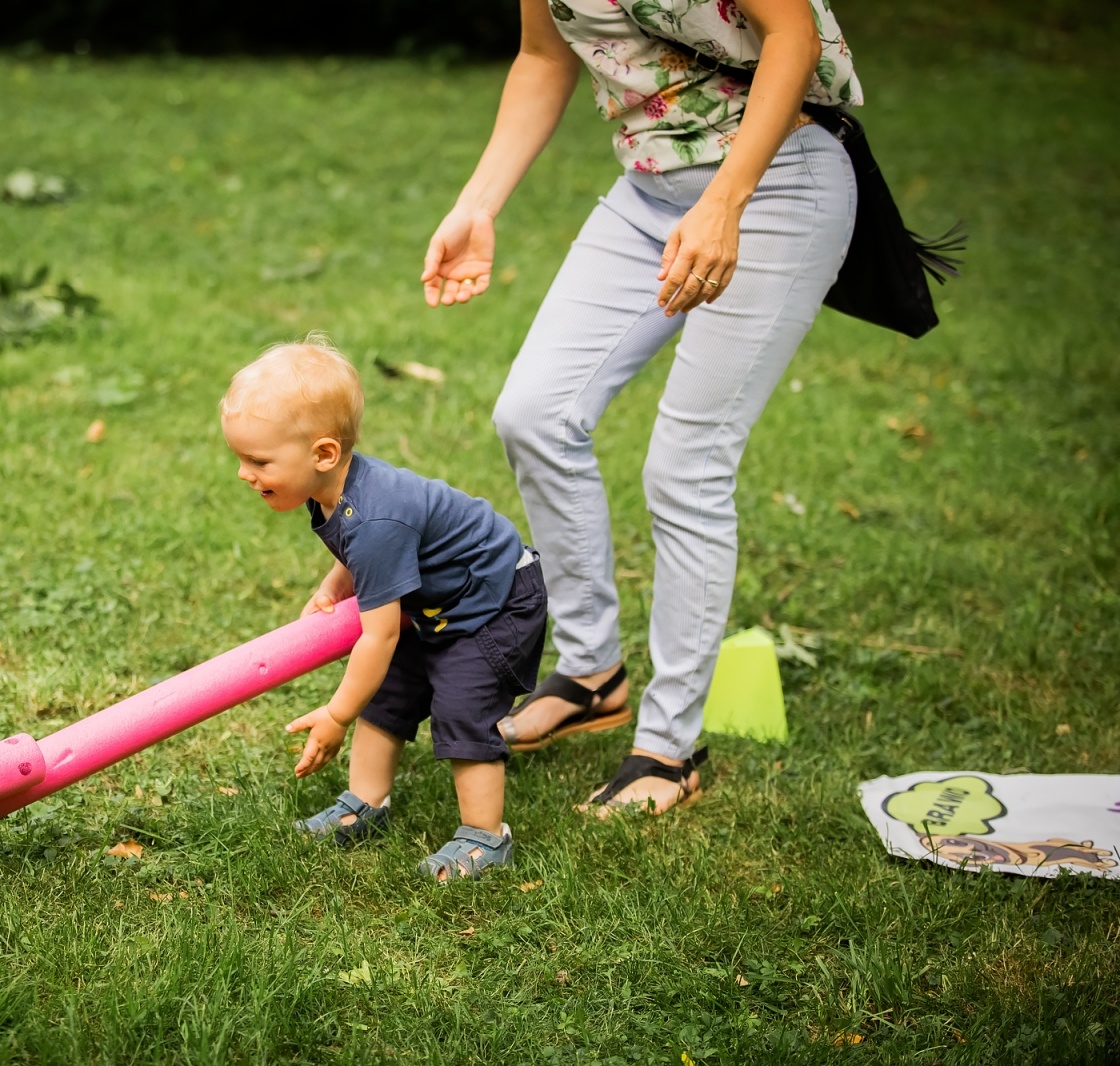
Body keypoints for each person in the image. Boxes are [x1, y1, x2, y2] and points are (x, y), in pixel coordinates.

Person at [419, 0, 860, 815]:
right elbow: (543, 57)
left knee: (687, 467)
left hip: (774, 184)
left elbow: (792, 33)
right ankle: (593, 672)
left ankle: (668, 748)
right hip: (651, 191)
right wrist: (477, 203)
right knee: (534, 414)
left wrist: (725, 203)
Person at [220, 337, 548, 880]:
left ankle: (486, 837)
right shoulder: (336, 490)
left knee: (461, 705)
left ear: (323, 454)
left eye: (258, 461)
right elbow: (355, 548)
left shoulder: (375, 520)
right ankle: (365, 804)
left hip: (495, 603)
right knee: (387, 694)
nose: (243, 472)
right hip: (440, 602)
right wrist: (336, 584)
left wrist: (336, 715)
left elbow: (379, 635)